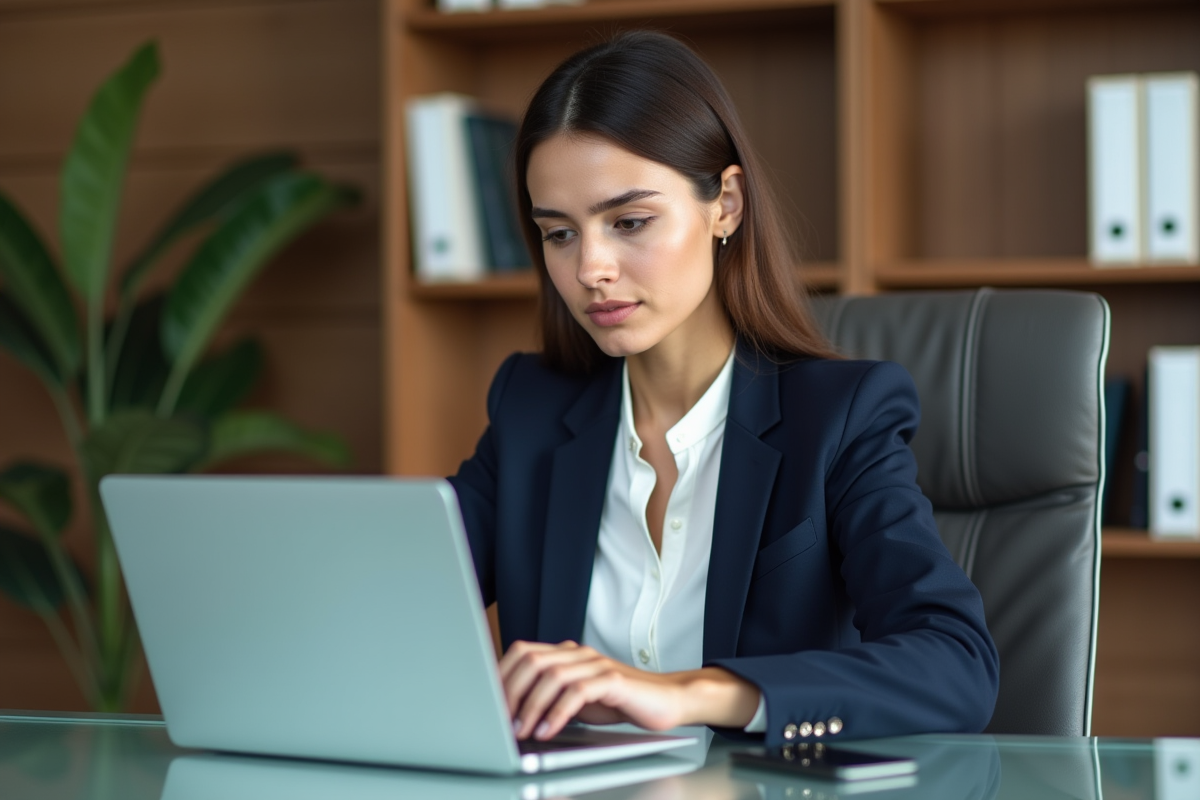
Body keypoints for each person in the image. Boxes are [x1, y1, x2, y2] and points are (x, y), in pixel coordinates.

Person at [447, 30, 999, 748]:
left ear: (726, 206)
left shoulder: (838, 418)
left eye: (630, 222)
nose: (591, 268)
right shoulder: (531, 408)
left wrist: (694, 694)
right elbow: (391, 595)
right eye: (559, 234)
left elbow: (957, 664)